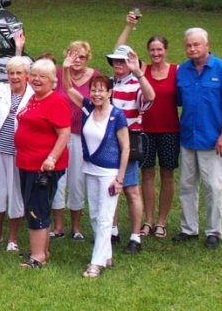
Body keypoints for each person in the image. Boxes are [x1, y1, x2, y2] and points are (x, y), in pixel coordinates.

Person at [173, 28, 222, 249]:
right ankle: (188, 228)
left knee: (213, 186)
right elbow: (180, 101)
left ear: (206, 45)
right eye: (189, 45)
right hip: (188, 137)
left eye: (196, 45)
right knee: (186, 185)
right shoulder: (183, 70)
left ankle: (213, 231)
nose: (192, 49)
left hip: (214, 139)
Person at [62, 68, 130, 278]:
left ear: (110, 92)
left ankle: (96, 263)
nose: (97, 94)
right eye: (94, 90)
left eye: (101, 90)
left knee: (105, 218)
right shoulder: (88, 108)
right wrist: (65, 67)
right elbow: (68, 88)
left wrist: (120, 178)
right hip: (89, 169)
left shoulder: (117, 115)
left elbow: (125, 148)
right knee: (93, 215)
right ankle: (106, 254)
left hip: (109, 172)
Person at [115, 13, 178, 240]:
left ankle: (162, 222)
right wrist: (129, 26)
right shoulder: (143, 68)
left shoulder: (176, 71)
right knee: (147, 174)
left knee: (168, 174)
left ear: (166, 50)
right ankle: (148, 221)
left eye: (160, 49)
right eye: (152, 50)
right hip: (144, 132)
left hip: (170, 129)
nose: (156, 53)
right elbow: (120, 50)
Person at [15, 59, 71, 268]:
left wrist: (51, 158)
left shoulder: (56, 101)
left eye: (43, 76)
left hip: (43, 167)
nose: (37, 79)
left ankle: (37, 256)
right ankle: (42, 250)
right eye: (34, 75)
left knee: (37, 207)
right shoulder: (35, 98)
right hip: (27, 162)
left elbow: (65, 133)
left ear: (53, 81)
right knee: (36, 205)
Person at [0, 56, 33, 251]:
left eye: (19, 73)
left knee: (15, 194)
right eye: (11, 73)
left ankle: (13, 239)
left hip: (19, 152)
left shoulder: (34, 95)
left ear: (27, 75)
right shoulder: (1, 88)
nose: (15, 77)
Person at [106, 45, 155, 254]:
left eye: (122, 61)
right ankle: (113, 231)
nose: (118, 64)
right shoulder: (110, 84)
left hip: (129, 143)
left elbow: (151, 97)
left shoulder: (136, 84)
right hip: (109, 143)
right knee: (110, 188)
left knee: (131, 190)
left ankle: (135, 237)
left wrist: (139, 73)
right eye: (115, 61)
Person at [51, 41, 96, 241]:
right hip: (58, 134)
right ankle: (58, 226)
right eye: (73, 55)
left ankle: (76, 227)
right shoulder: (58, 74)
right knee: (58, 179)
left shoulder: (95, 77)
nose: (77, 60)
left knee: (77, 180)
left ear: (88, 59)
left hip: (81, 135)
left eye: (82, 57)